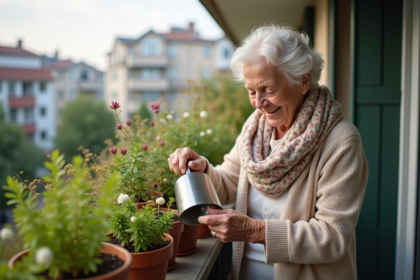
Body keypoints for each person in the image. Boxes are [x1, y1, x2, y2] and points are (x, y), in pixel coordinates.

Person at [168, 25, 368, 280]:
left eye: (269, 90)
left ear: (303, 81)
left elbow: (332, 237)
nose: (259, 103)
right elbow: (230, 181)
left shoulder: (341, 142)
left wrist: (254, 231)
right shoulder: (255, 129)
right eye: (252, 91)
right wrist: (202, 169)